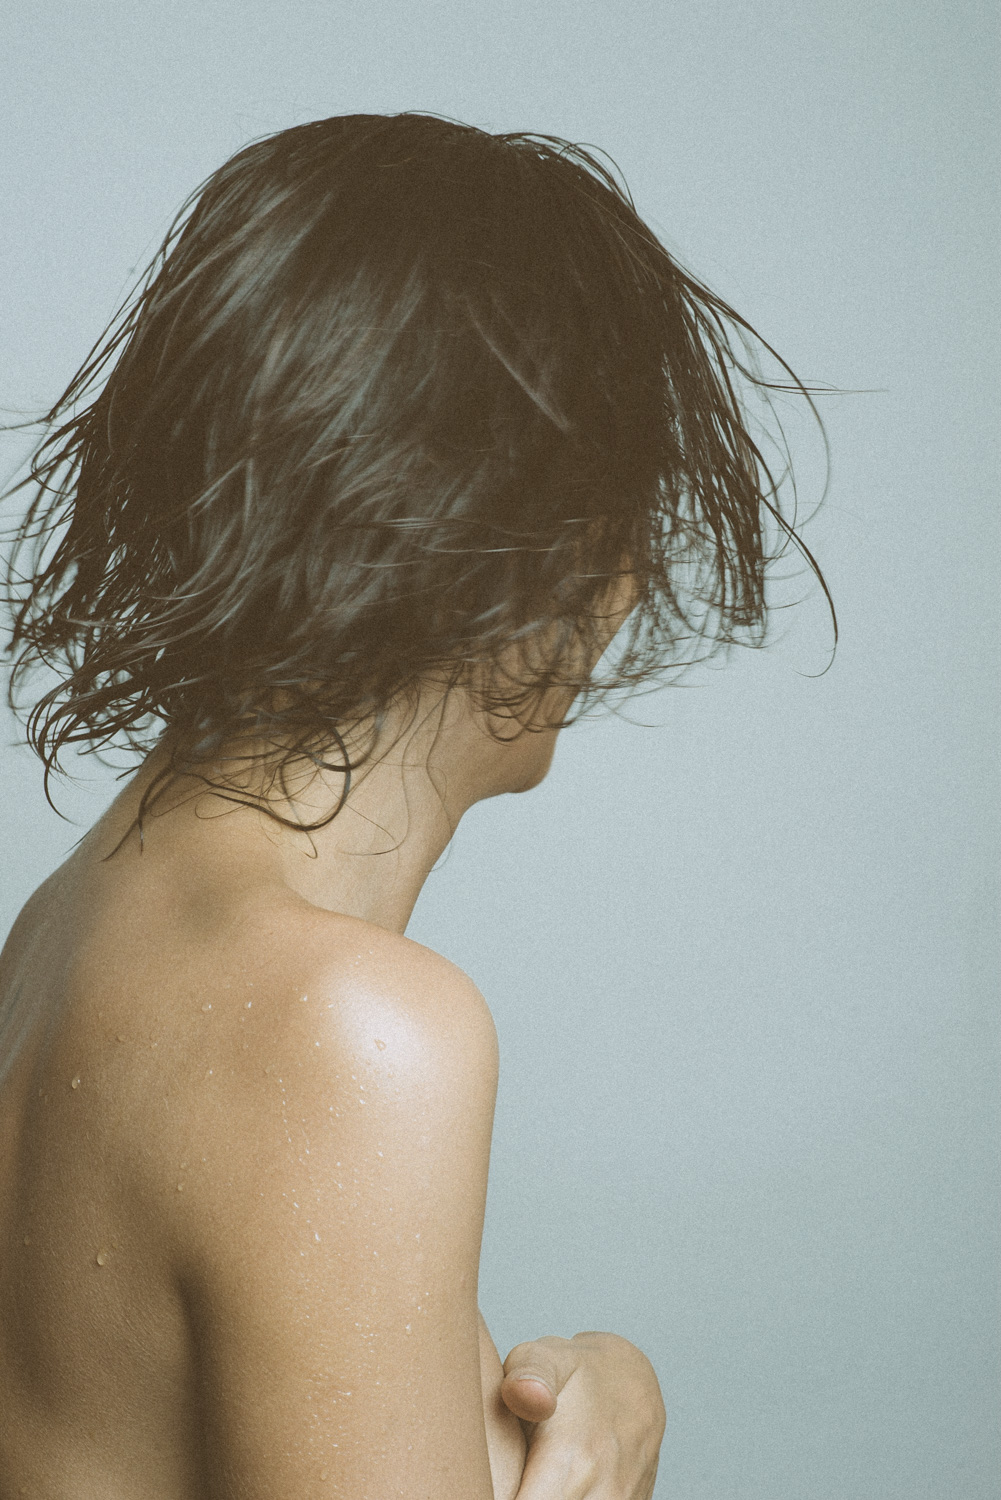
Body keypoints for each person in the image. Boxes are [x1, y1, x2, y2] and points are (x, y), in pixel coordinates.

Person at [0, 111, 829, 1497]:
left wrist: (591, 1391)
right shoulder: (357, 1029)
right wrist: (613, 1457)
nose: (628, 588)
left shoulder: (66, 927)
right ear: (542, 558)